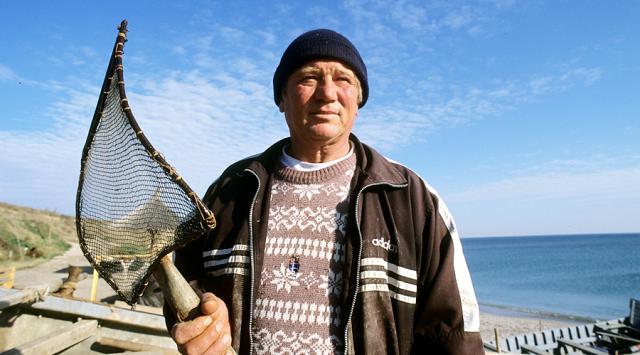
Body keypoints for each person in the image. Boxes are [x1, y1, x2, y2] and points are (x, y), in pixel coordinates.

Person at [165, 29, 484, 355]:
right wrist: (200, 317)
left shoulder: (412, 200)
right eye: (309, 78)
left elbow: (454, 334)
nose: (327, 93)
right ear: (282, 98)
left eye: (343, 79)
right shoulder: (230, 191)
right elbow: (185, 283)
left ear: (358, 100)